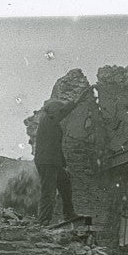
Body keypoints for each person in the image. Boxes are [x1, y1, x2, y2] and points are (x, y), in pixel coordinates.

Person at [33, 85, 91, 225]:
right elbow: (64, 111)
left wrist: (64, 166)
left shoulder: (53, 124)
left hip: (53, 162)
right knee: (49, 190)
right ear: (52, 110)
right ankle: (43, 220)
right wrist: (78, 100)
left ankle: (69, 214)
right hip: (47, 162)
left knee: (65, 184)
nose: (60, 111)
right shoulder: (47, 120)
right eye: (58, 109)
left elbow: (57, 148)